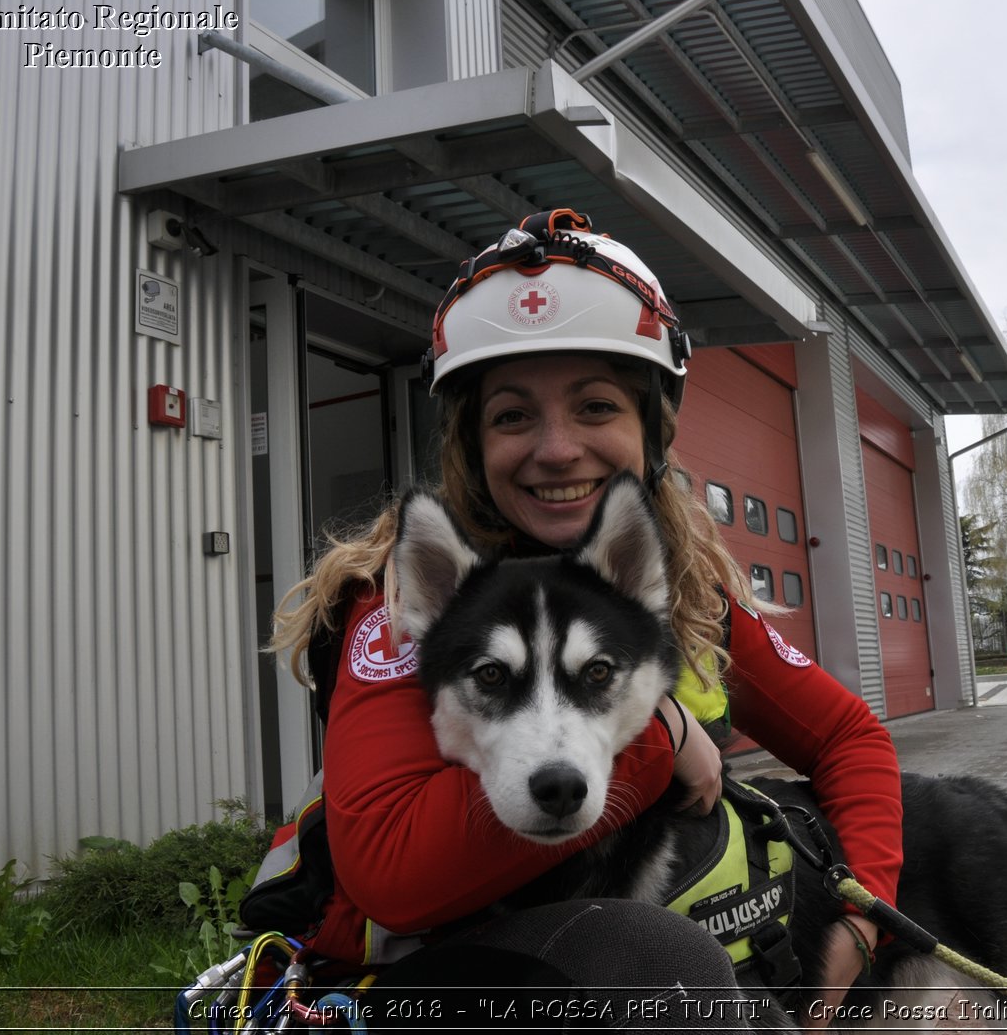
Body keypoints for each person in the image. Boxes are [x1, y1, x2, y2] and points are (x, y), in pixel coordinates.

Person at [270, 208, 905, 1029]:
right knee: (663, 970)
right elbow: (393, 869)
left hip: (606, 939)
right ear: (470, 442)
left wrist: (867, 912)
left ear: (652, 431)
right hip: (430, 978)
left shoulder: (682, 592)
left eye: (597, 406)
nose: (557, 447)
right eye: (512, 415)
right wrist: (657, 733)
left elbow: (848, 736)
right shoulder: (407, 590)